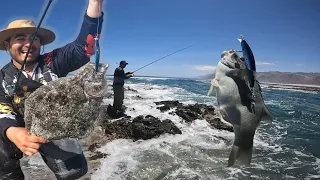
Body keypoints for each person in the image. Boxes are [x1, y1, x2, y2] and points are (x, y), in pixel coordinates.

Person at [0, 0, 105, 179]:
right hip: (16, 125)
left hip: (54, 124)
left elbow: (84, 47)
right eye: (20, 38)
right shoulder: (2, 77)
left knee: (75, 171)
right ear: (8, 45)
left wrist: (95, 3)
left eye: (34, 39)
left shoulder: (53, 61)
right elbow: (2, 109)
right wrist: (13, 132)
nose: (28, 43)